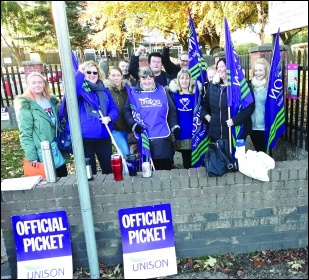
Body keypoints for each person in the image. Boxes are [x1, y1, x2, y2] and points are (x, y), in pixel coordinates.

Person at [123, 67, 180, 170]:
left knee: (164, 170)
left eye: (150, 78)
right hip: (142, 136)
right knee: (146, 171)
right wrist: (133, 124)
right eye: (144, 78)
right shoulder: (133, 93)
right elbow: (126, 111)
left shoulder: (162, 90)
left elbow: (171, 109)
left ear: (154, 78)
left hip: (162, 136)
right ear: (139, 79)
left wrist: (174, 125)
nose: (147, 81)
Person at [14, 72, 68, 177]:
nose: (37, 85)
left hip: (56, 148)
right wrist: (31, 156)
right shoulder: (26, 105)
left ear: (44, 84)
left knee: (62, 179)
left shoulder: (51, 101)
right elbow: (25, 133)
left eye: (40, 82)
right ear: (28, 85)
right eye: (33, 83)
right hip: (41, 152)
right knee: (48, 184)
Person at [75, 61, 119, 175]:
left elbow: (113, 109)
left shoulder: (104, 90)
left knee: (108, 169)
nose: (92, 74)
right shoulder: (81, 91)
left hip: (104, 136)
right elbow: (73, 89)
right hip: (85, 137)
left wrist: (109, 118)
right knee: (90, 171)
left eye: (95, 72)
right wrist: (80, 72)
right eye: (88, 72)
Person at [201, 58, 255, 148]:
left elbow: (250, 107)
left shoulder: (242, 85)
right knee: (219, 160)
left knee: (234, 160)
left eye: (222, 66)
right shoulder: (212, 85)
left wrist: (234, 120)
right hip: (216, 132)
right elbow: (206, 104)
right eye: (218, 67)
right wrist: (206, 115)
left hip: (236, 131)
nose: (219, 69)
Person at [168, 69, 203, 169]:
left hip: (194, 130)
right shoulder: (173, 95)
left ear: (190, 80)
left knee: (195, 157)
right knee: (186, 158)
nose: (184, 81)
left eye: (187, 78)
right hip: (180, 131)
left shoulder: (196, 95)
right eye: (182, 78)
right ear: (178, 80)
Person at [103, 66, 131, 159]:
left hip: (129, 128)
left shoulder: (127, 89)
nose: (116, 78)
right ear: (109, 77)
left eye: (118, 75)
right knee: (126, 153)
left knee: (132, 154)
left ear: (122, 76)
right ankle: (124, 173)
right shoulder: (106, 91)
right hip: (116, 128)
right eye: (113, 75)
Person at [249, 57, 270, 153]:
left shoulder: (269, 87)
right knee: (259, 151)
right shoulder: (250, 86)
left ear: (266, 71)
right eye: (256, 70)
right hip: (253, 126)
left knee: (266, 152)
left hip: (265, 126)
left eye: (260, 70)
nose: (257, 73)